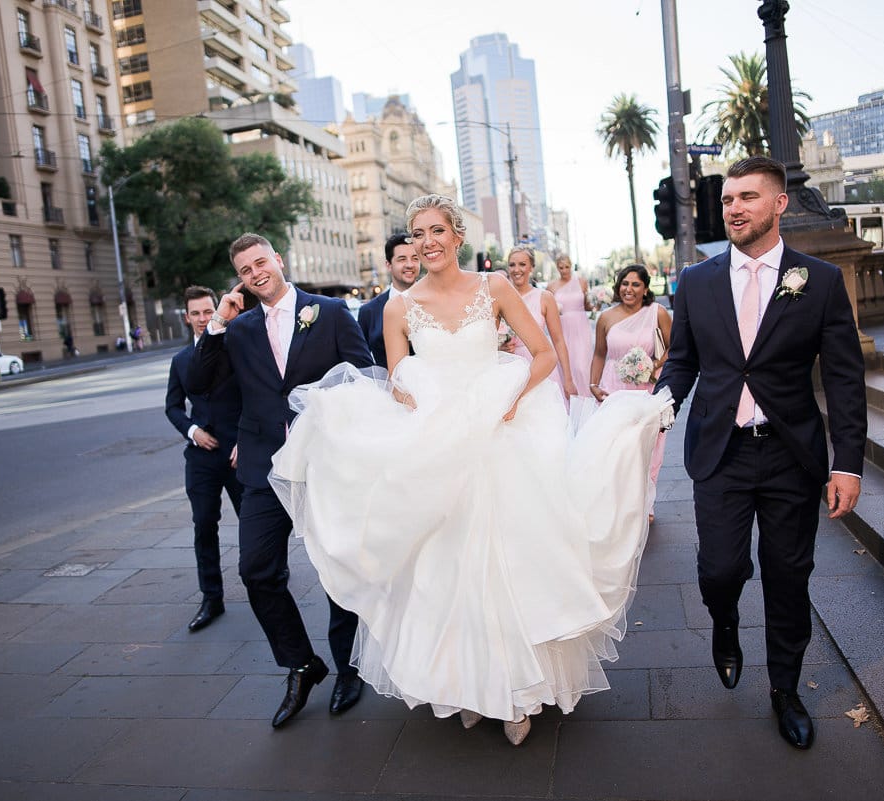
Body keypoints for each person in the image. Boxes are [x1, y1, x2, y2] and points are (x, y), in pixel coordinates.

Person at [268, 194, 671, 746]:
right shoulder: (397, 307)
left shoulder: (496, 288)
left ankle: (517, 694)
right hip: (438, 448)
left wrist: (510, 401)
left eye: (436, 230)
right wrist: (415, 416)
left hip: (503, 437)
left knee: (510, 564)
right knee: (447, 571)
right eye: (417, 233)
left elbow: (545, 355)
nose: (427, 241)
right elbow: (398, 380)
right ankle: (468, 685)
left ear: (457, 237)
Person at [654, 156, 867, 751]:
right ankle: (725, 621)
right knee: (721, 569)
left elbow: (846, 379)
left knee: (788, 576)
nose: (734, 208)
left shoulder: (819, 281)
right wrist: (653, 407)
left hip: (790, 454)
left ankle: (785, 689)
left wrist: (846, 462)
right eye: (727, 200)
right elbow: (683, 363)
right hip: (718, 453)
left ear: (779, 205)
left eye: (748, 197)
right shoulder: (695, 282)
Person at [187, 233, 373, 728]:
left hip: (327, 461)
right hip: (264, 466)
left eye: (261, 262)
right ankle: (300, 663)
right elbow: (200, 382)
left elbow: (363, 373)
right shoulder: (239, 328)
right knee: (256, 569)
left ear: (279, 260)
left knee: (337, 568)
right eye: (245, 270)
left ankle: (347, 667)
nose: (255, 273)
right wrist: (219, 322)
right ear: (240, 279)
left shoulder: (329, 311)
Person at [165, 286, 244, 632]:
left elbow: (256, 395)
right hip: (201, 456)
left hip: (239, 453)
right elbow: (172, 406)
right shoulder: (180, 360)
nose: (201, 319)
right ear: (187, 317)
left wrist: (246, 440)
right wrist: (192, 430)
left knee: (255, 523)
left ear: (217, 311)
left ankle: (269, 578)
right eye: (194, 313)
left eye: (206, 312)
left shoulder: (237, 348)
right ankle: (212, 597)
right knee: (203, 526)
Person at [589, 264, 672, 523]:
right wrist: (593, 384)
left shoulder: (656, 312)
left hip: (646, 390)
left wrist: (654, 367)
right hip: (614, 389)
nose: (629, 289)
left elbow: (675, 346)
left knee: (648, 448)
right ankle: (623, 502)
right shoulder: (606, 317)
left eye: (636, 284)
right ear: (618, 286)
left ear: (645, 288)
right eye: (625, 283)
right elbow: (600, 353)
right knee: (619, 449)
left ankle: (646, 502)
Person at [506, 245, 578, 398]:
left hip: (541, 366)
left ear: (531, 267)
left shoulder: (544, 297)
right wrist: (502, 347)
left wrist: (568, 379)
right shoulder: (502, 299)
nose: (516, 269)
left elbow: (558, 340)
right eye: (512, 265)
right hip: (510, 367)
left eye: (522, 264)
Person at [357, 232, 421, 367]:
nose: (410, 264)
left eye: (415, 258)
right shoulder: (368, 311)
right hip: (386, 386)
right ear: (388, 264)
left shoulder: (434, 300)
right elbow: (361, 361)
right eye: (402, 259)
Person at [547, 253, 594, 397]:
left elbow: (587, 306)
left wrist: (596, 302)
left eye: (567, 267)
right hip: (562, 327)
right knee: (568, 365)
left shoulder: (581, 282)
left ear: (571, 266)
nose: (564, 270)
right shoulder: (551, 286)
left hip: (580, 326)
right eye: (561, 268)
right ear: (557, 268)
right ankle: (571, 398)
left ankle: (588, 397)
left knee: (582, 365)